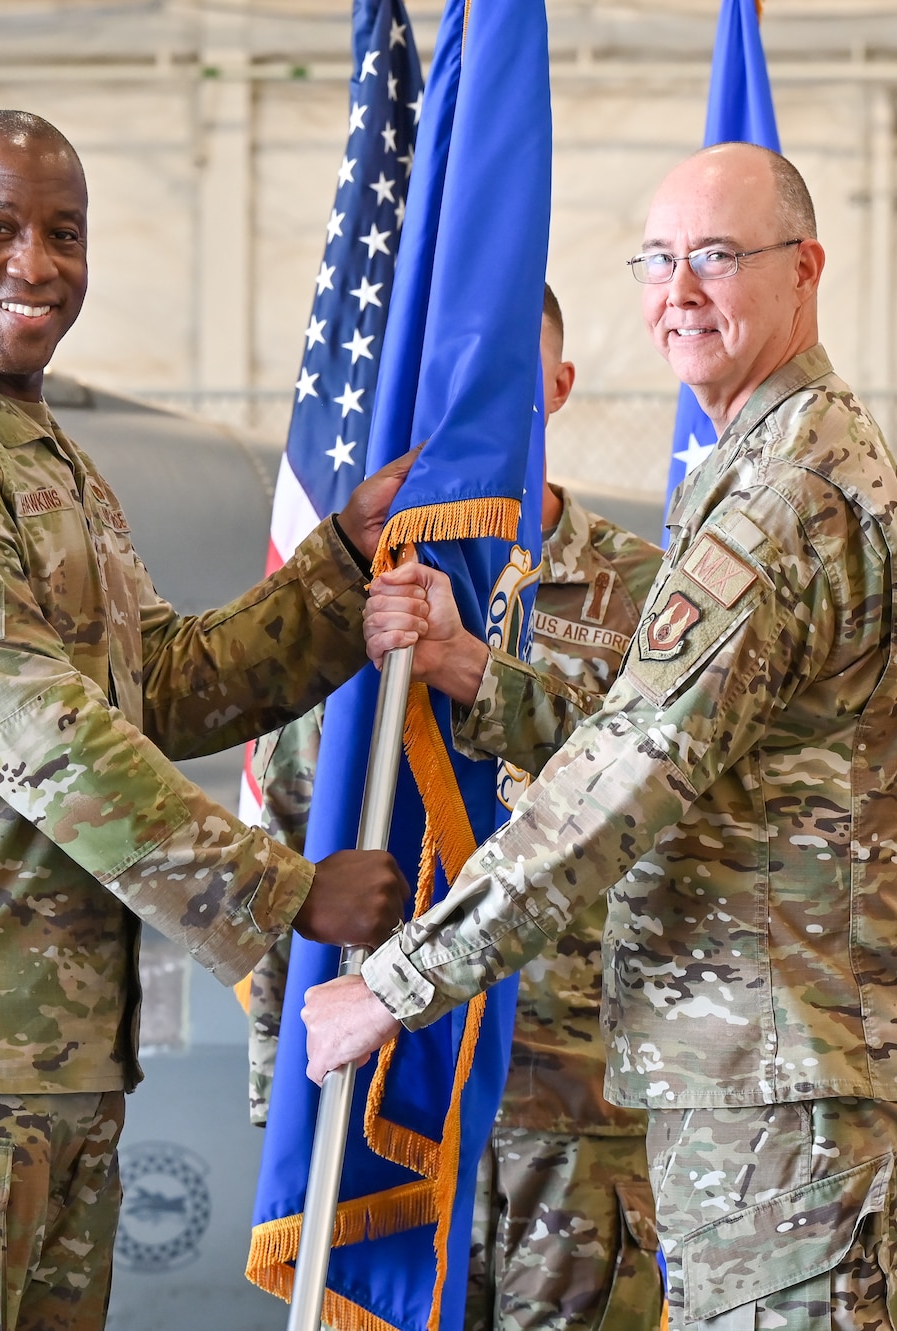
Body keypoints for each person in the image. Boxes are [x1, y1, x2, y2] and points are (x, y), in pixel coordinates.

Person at [302, 142, 897, 1331]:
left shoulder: (782, 493)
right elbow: (700, 739)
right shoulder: (764, 460)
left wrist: (398, 983)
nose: (679, 291)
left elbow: (639, 771)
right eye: (657, 260)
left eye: (716, 256)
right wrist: (479, 676)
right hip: (772, 1064)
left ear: (803, 269)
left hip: (789, 1072)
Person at [0, 109, 411, 1331]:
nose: (35, 265)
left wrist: (339, 571)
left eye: (62, 233)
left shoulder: (38, 455)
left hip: (43, 1049)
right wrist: (283, 894)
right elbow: (42, 735)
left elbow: (157, 683)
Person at [244, 287, 668, 1331]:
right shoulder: (348, 590)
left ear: (559, 389)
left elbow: (660, 806)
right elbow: (292, 835)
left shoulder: (644, 596)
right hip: (383, 1107)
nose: (475, 406)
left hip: (577, 1119)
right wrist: (281, 1093)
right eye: (451, 381)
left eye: (507, 380)